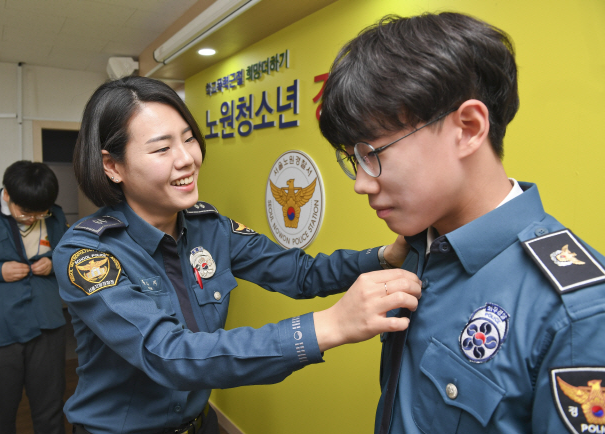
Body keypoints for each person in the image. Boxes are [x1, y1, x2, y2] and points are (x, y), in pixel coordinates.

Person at [52, 76, 422, 434]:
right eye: (162, 149)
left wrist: (385, 256)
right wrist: (329, 326)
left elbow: (300, 274)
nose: (187, 159)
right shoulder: (88, 253)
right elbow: (166, 353)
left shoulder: (211, 227)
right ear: (112, 166)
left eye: (189, 139)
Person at [319, 12, 605, 434]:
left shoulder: (575, 312)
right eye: (352, 160)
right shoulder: (417, 245)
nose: (361, 183)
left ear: (468, 128)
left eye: (373, 153)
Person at [0, 161, 68, 434]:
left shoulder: (56, 215)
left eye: (40, 213)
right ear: (7, 194)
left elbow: (68, 257)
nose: (33, 218)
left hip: (47, 325)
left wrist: (52, 263)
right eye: (26, 212)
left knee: (51, 410)